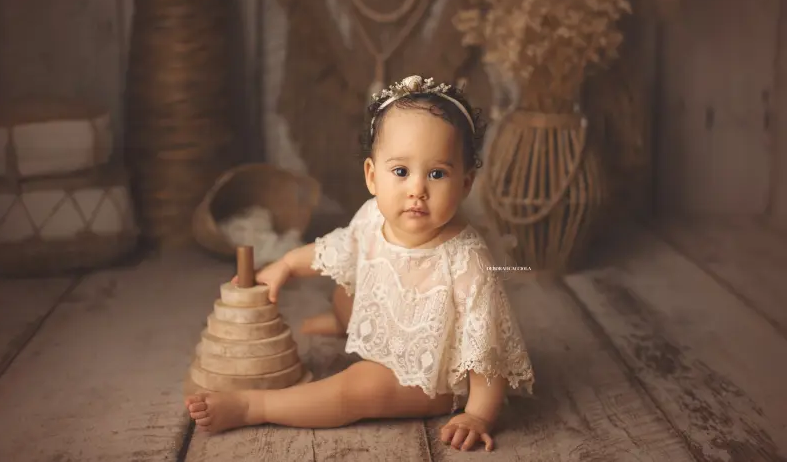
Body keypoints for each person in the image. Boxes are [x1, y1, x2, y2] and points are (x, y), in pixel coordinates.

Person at [185, 75, 534, 452]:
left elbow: (486, 350)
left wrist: (478, 414)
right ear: (372, 176)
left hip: (426, 376)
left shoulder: (466, 260)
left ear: (465, 184)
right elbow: (336, 250)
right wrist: (285, 264)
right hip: (391, 325)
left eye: (437, 174)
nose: (417, 188)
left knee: (359, 387)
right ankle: (343, 322)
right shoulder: (373, 218)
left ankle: (253, 406)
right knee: (347, 286)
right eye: (401, 172)